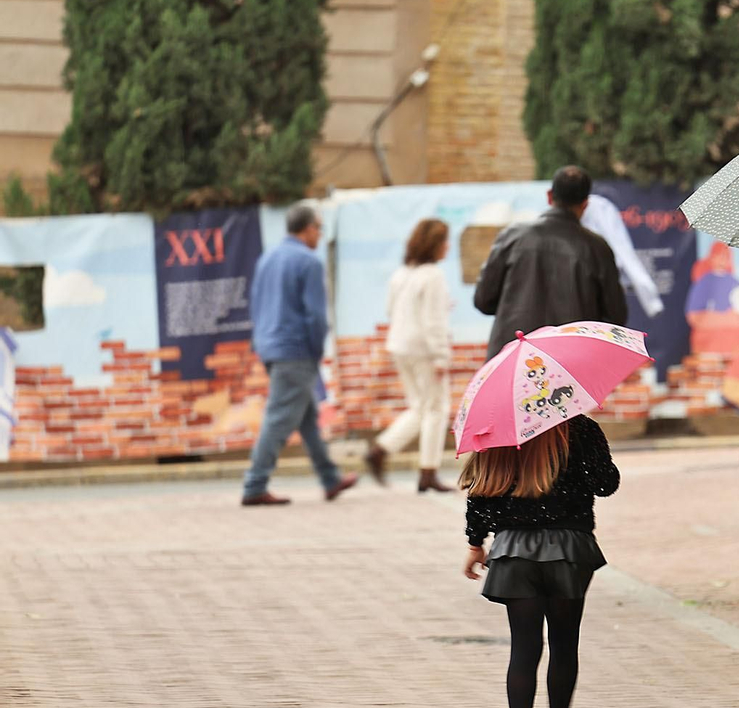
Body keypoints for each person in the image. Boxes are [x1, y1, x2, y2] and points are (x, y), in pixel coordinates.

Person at [461, 415, 619, 708]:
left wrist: (476, 544)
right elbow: (605, 483)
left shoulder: (497, 428)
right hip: (569, 547)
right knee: (564, 642)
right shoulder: (578, 427)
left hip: (513, 550)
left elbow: (480, 496)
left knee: (524, 645)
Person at [241, 203, 358, 507]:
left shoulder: (268, 259)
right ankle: (255, 484)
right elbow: (315, 315)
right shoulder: (308, 262)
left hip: (271, 346)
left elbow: (255, 305)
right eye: (318, 228)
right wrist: (316, 349)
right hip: (295, 350)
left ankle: (330, 478)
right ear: (307, 229)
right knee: (279, 418)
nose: (320, 234)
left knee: (306, 417)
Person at [473, 166, 628, 358]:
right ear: (585, 204)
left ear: (549, 196)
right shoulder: (598, 248)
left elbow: (483, 300)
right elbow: (615, 317)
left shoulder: (511, 237)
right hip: (571, 361)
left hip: (516, 358)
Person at [365, 218, 456, 493]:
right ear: (435, 245)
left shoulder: (401, 274)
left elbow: (391, 310)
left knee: (420, 407)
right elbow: (433, 321)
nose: (447, 247)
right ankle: (427, 471)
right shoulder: (433, 276)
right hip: (424, 350)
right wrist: (441, 356)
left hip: (400, 345)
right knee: (436, 409)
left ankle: (382, 450)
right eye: (444, 241)